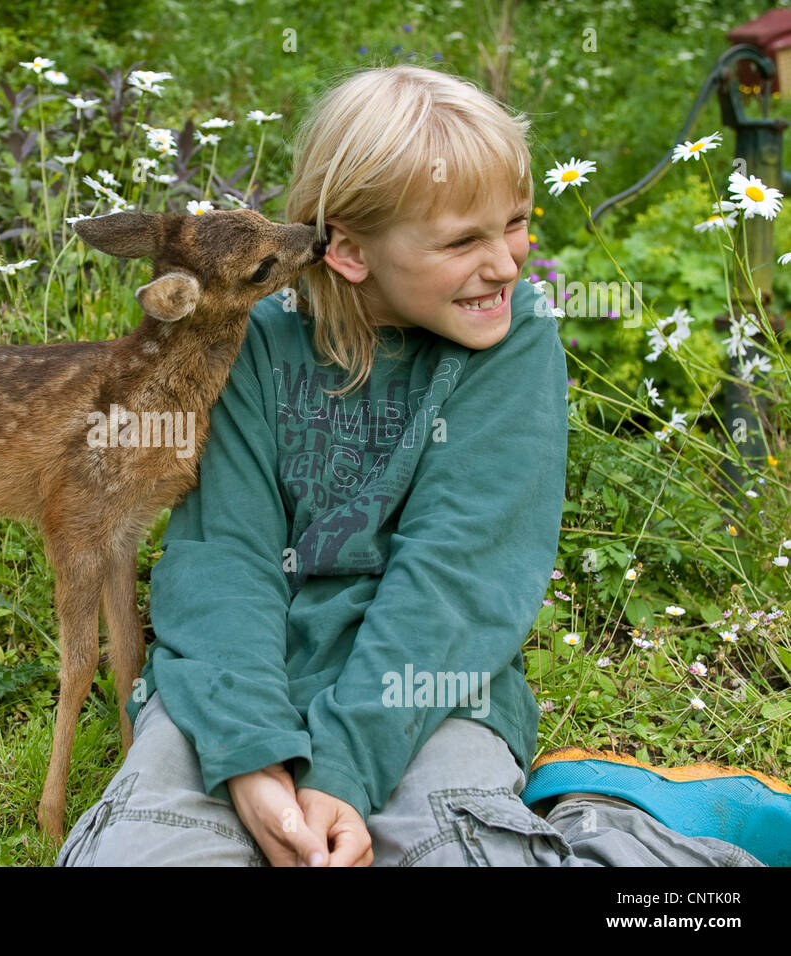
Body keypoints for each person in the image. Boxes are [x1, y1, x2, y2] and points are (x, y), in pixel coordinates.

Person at [55, 64, 790, 867]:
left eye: (515, 222)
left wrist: (340, 773)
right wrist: (254, 760)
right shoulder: (251, 341)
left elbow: (456, 579)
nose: (507, 264)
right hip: (234, 686)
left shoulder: (514, 342)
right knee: (145, 851)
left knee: (452, 849)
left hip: (431, 691)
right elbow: (223, 556)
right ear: (347, 251)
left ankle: (614, 828)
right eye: (463, 241)